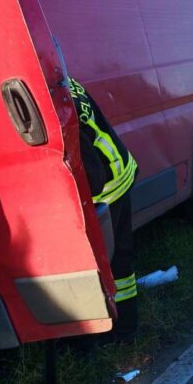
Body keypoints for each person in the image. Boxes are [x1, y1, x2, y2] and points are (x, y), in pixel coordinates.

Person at [68, 78, 139, 340]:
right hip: (120, 169)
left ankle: (108, 332)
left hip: (107, 185)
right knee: (121, 258)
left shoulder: (54, 101)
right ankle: (128, 327)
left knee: (105, 263)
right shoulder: (67, 82)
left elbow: (89, 169)